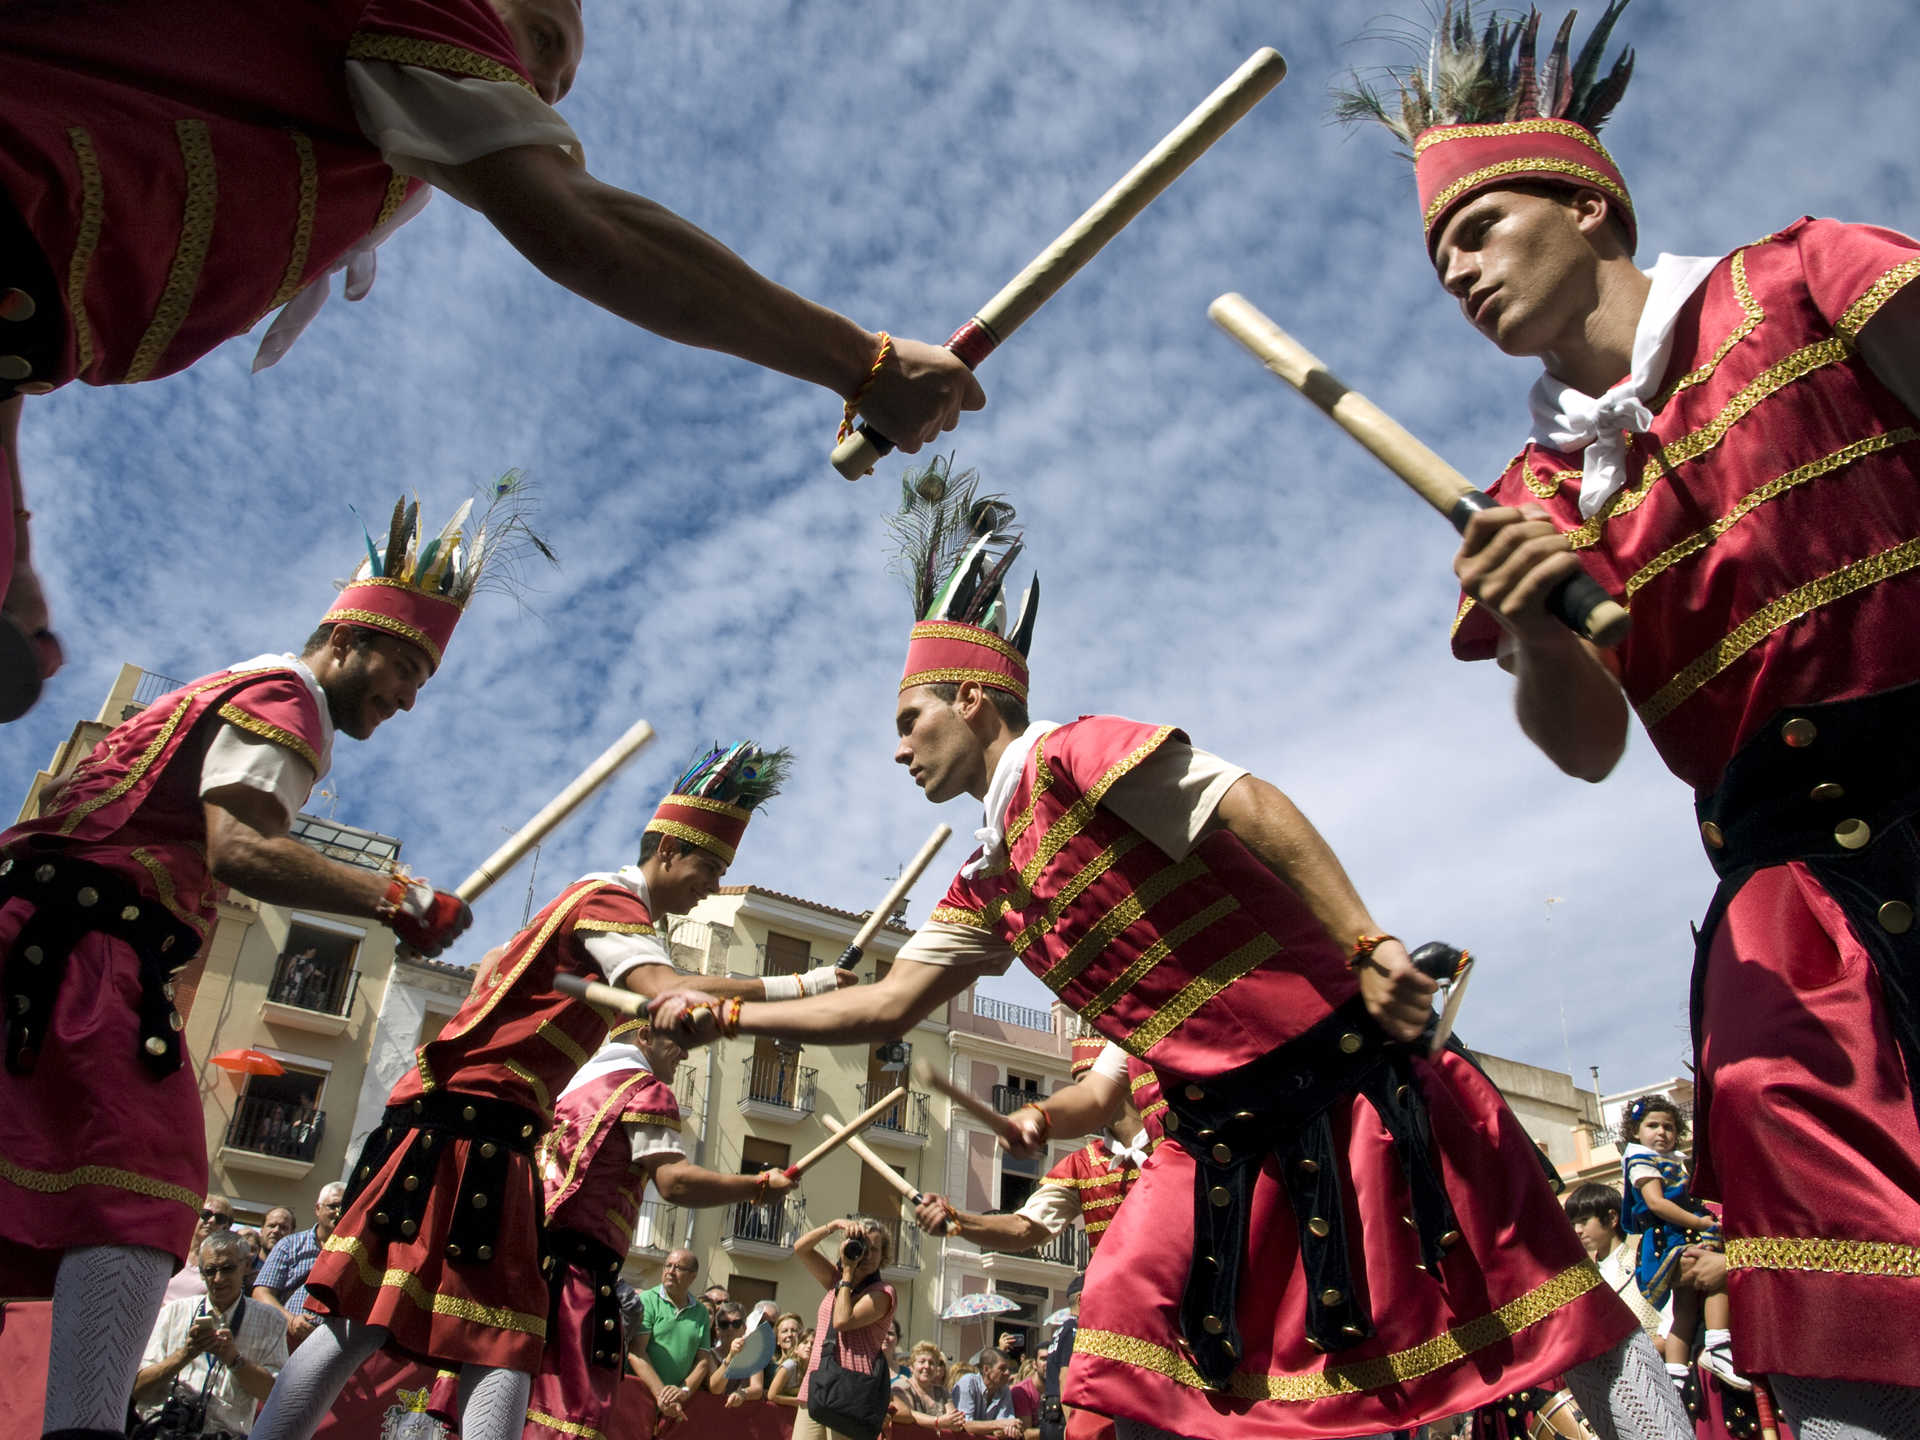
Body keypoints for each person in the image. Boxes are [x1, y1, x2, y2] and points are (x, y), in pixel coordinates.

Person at [653, 464, 1685, 1440]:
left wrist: (1364, 938)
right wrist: (724, 1004)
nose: (896, 745)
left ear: (974, 697)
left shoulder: (1079, 754)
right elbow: (880, 1009)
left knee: (1552, 1319)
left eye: (908, 717)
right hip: (1217, 1144)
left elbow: (1250, 803)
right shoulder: (990, 880)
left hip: (1355, 1084)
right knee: (1111, 1356)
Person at [1339, 4, 1920, 1430]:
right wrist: (1538, 628)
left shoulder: (1801, 279)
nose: (1456, 272)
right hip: (1791, 894)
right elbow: (1586, 746)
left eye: (1476, 229)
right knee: (1832, 1225)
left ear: (1588, 199)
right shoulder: (1528, 499)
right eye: (1437, 260)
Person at [0, 0, 985, 700]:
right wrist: (862, 362)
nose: (549, 84)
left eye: (561, 79)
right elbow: (580, 224)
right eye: (545, 40)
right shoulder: (429, 11)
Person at [0, 496, 500, 1440]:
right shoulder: (286, 700)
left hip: (37, 939)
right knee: (139, 1182)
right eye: (405, 665)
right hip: (81, 956)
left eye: (425, 678)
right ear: (350, 636)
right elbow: (238, 846)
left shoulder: (217, 689)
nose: (410, 697)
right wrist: (393, 899)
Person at [246, 741, 810, 1440]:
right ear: (665, 849)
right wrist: (801, 994)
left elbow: (607, 980)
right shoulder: (609, 904)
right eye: (709, 868)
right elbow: (669, 992)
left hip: (480, 1130)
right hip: (469, 1131)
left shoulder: (584, 913)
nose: (711, 884)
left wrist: (788, 987)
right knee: (439, 1332)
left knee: (478, 1338)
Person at [510, 1017, 796, 1440]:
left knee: (513, 1396)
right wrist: (757, 1186)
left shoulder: (575, 1088)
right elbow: (674, 1181)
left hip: (528, 1266)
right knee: (562, 1415)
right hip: (577, 1278)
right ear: (644, 1036)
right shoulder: (643, 1090)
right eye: (677, 1042)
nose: (684, 1053)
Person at [1616, 1098, 1741, 1389]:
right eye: (1653, 1125)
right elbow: (1656, 1203)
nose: (1662, 1132)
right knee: (1716, 1278)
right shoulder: (1641, 1161)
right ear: (1635, 1131)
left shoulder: (1673, 1160)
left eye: (1669, 1127)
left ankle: (1675, 1374)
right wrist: (1698, 1223)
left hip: (1679, 1235)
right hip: (1668, 1239)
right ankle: (1719, 1345)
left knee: (1683, 1308)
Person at [131, 1229, 288, 1439]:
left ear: (246, 1266)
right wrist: (184, 1355)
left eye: (227, 1269)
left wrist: (234, 1360)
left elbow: (273, 1395)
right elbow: (137, 1389)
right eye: (210, 1271)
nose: (218, 1279)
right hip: (162, 1430)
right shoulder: (174, 1312)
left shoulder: (270, 1320)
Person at [789, 1216, 897, 1440]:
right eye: (862, 1247)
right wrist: (834, 1225)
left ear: (883, 1256)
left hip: (851, 1390)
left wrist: (847, 1273)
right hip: (817, 1383)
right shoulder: (835, 1280)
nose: (867, 1255)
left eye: (875, 1249)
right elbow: (801, 1248)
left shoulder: (883, 1293)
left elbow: (842, 1321)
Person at [1563, 1183, 1665, 1342]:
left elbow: (1672, 1325)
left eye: (1584, 1220)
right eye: (1573, 1224)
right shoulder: (1583, 1280)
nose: (1577, 1230)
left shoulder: (1644, 1263)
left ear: (1612, 1218)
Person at [252, 1184, 347, 1350]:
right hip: (281, 1340)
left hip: (326, 1347)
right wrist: (291, 1321)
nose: (339, 1212)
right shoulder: (290, 1245)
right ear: (318, 1209)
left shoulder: (354, 1255)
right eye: (333, 1206)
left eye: (344, 1208)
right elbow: (261, 1293)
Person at [628, 1251, 715, 1428]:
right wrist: (662, 1394)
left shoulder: (701, 1313)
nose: (670, 1271)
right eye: (668, 1265)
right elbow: (637, 1352)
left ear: (692, 1276)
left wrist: (683, 1391)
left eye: (678, 1267)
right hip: (638, 1397)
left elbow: (703, 1363)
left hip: (674, 1405)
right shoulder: (647, 1300)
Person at [163, 1197, 238, 1305]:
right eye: (206, 1214)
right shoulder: (171, 1249)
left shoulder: (224, 1264)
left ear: (226, 1227)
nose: (212, 1220)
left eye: (220, 1218)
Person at [952, 1348, 1023, 1440]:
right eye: (1002, 1368)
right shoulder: (968, 1383)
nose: (1007, 1373)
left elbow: (1003, 1427)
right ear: (986, 1369)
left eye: (1009, 1369)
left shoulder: (1004, 1390)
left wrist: (1009, 1429)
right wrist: (999, 1425)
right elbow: (964, 1425)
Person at [893, 1342, 964, 1432]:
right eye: (922, 1362)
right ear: (911, 1367)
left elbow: (954, 1420)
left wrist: (956, 1423)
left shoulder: (942, 1392)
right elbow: (908, 1415)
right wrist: (938, 1422)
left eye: (931, 1363)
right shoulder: (902, 1387)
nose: (927, 1366)